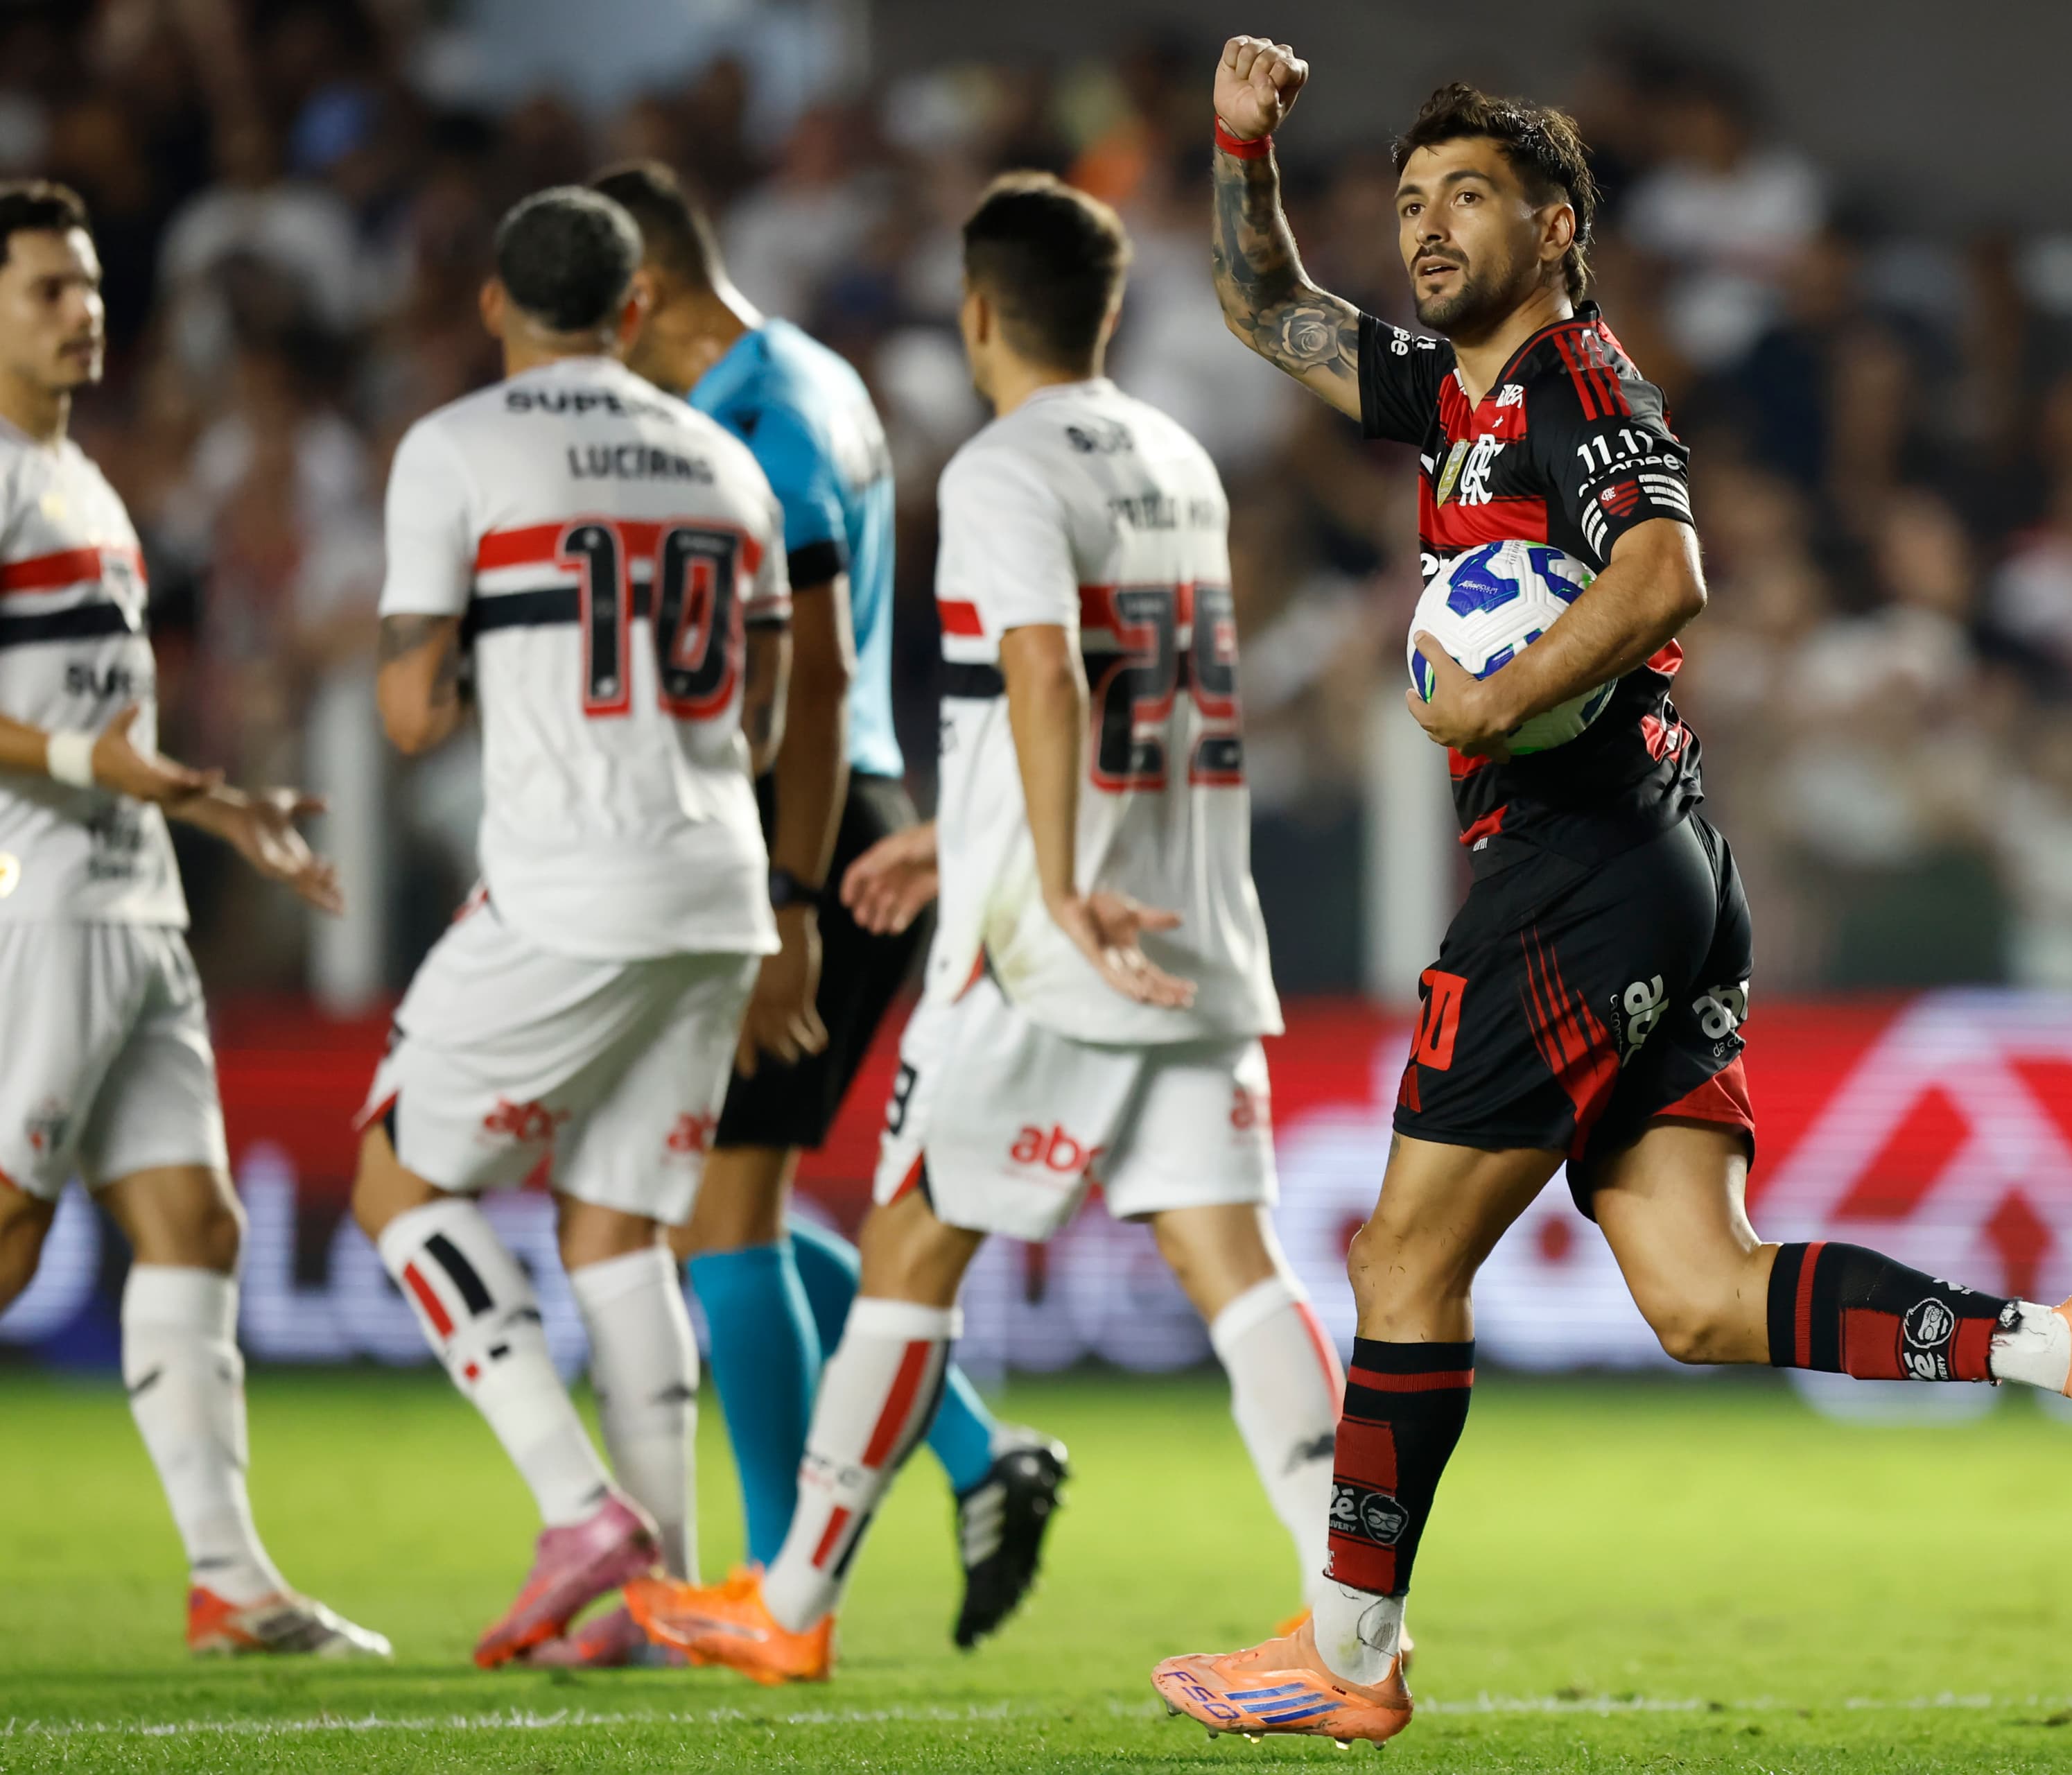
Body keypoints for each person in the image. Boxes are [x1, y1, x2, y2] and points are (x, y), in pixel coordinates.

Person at [1147, 42, 2072, 1749]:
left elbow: (1670, 570)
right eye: (1415, 202)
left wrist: (1496, 700)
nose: (1428, 231)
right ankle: (2065, 1339)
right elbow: (1263, 300)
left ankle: (1348, 1651)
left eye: (1469, 199)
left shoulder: (1579, 381)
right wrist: (1237, 143)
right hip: (1656, 869)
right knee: (1701, 1294)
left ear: (1557, 222)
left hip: (1576, 871)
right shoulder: (1455, 392)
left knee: (1400, 1258)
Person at [620, 171, 1342, 1686]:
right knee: (1239, 1268)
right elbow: (1134, 697)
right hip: (1195, 916)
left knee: (907, 1245)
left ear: (974, 314)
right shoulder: (1176, 456)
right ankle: (1352, 1623)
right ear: (1110, 310)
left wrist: (1049, 879)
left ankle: (792, 1603)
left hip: (1051, 942)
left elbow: (1049, 679)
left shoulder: (1004, 470)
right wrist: (972, 830)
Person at [580, 158, 1068, 1663]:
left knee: (717, 1202)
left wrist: (786, 894)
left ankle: (781, 1575)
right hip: (807, 814)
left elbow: (815, 670)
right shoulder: (809, 376)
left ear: (636, 297)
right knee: (722, 1200)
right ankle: (980, 1453)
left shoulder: (765, 417)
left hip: (806, 820)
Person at [349, 186, 792, 1669]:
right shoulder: (728, 460)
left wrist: (480, 658)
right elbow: (770, 707)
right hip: (717, 880)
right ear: (632, 310)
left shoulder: (457, 447)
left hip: (568, 882)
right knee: (618, 1227)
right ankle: (650, 1606)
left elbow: (410, 715)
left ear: (494, 306)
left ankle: (576, 1506)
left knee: (395, 1183)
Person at [0, 179, 386, 1660]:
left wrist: (212, 805)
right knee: (16, 1227)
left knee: (196, 1221)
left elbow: (106, 716)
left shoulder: (86, 481)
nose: (83, 310)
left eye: (90, 285)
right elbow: (62, 734)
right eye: (46, 287)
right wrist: (87, 769)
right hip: (45, 898)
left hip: (131, 888)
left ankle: (231, 1579)